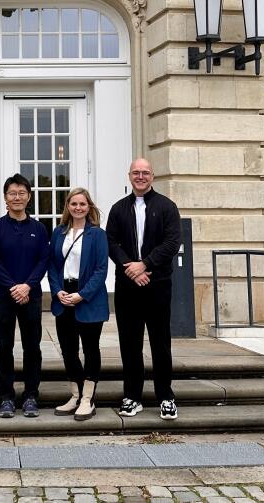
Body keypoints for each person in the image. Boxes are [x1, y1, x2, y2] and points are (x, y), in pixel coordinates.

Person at [106, 158, 182, 421]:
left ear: (153, 176)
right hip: (128, 286)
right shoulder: (118, 208)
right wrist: (131, 268)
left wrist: (145, 264)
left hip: (157, 285)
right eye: (136, 172)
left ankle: (166, 397)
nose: (140, 176)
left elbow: (172, 243)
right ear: (129, 176)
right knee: (130, 344)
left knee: (160, 343)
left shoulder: (167, 207)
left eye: (145, 172)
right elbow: (111, 242)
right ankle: (132, 396)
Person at [0, 173, 50, 418]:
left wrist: (27, 286)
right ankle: (6, 397)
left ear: (29, 197)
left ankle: (31, 395)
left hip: (31, 296)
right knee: (4, 347)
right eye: (12, 193)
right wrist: (14, 287)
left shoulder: (39, 229)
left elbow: (43, 260)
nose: (17, 197)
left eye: (21, 193)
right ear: (5, 197)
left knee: (32, 347)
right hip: (4, 296)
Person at [47, 187, 109, 421]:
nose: (78, 208)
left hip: (88, 297)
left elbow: (101, 269)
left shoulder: (97, 234)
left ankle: (88, 399)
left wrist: (82, 295)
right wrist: (57, 290)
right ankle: (76, 395)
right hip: (63, 295)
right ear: (67, 206)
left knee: (90, 348)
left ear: (89, 206)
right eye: (74, 204)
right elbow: (52, 265)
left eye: (82, 204)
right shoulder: (59, 232)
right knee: (68, 349)